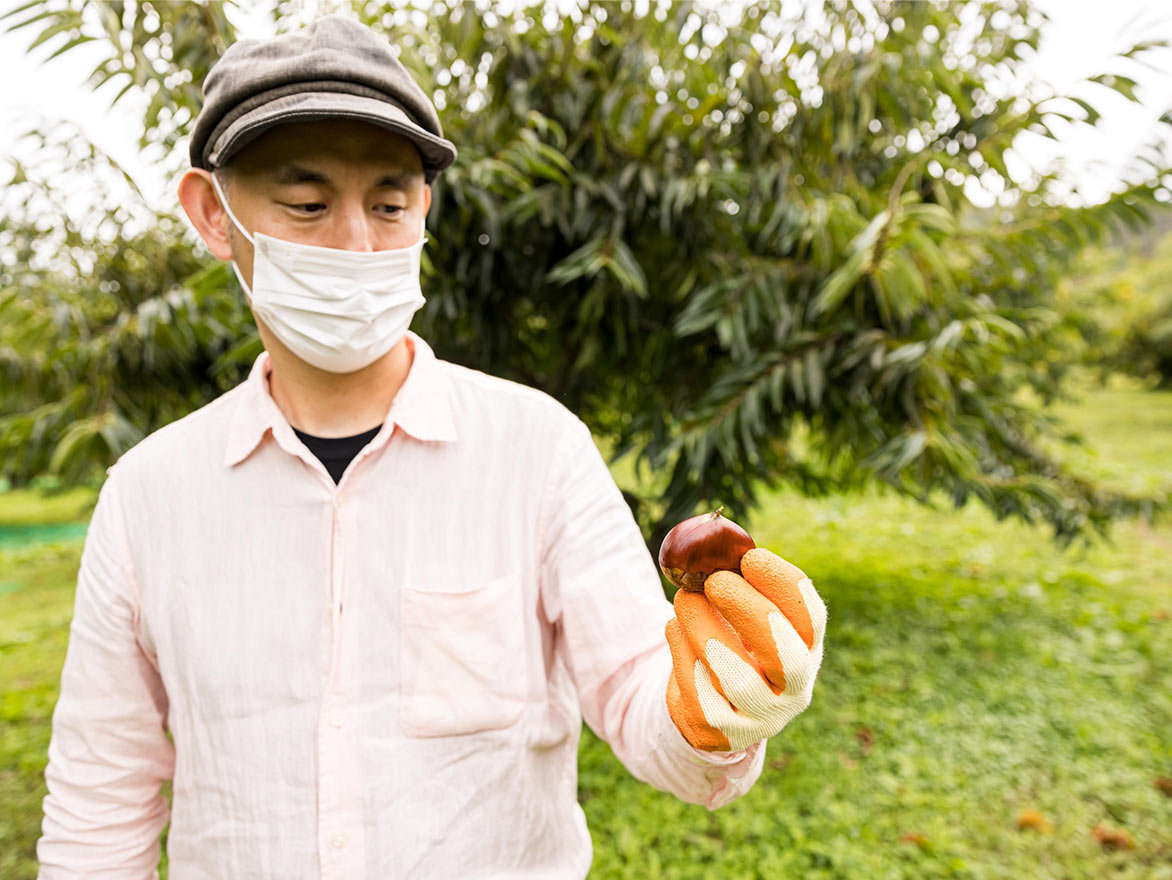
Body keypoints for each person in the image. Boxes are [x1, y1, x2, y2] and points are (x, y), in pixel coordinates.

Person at [35, 14, 827, 879]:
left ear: (425, 209)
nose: (357, 244)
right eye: (306, 205)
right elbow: (100, 804)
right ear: (213, 215)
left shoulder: (537, 450)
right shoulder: (150, 495)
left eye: (389, 204)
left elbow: (645, 697)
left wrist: (711, 708)